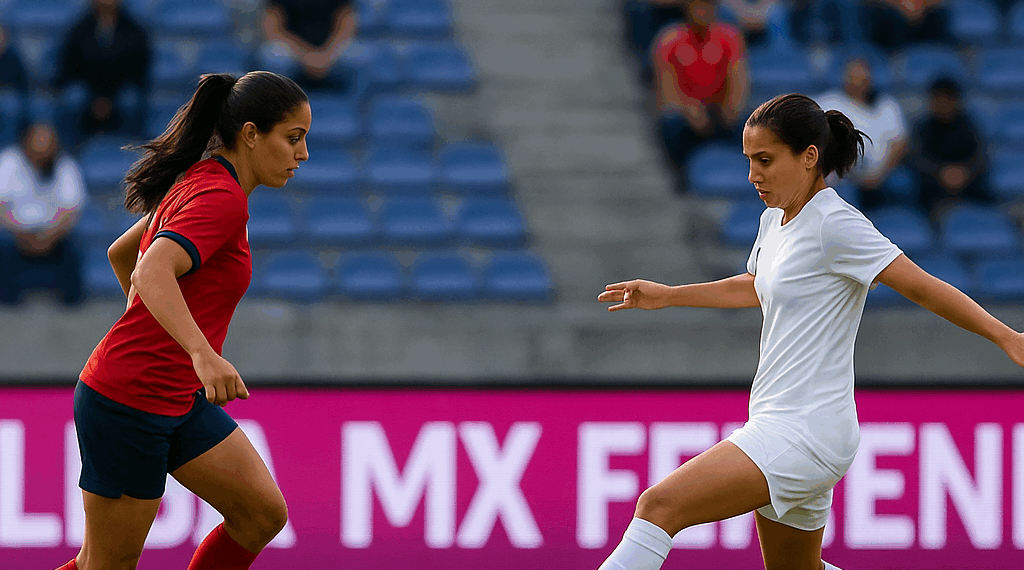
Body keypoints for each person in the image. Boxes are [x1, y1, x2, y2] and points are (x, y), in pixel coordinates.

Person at [596, 93, 1024, 570]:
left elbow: (923, 287)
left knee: (658, 508)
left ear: (809, 157)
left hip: (805, 430)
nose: (753, 175)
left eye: (765, 160)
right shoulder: (774, 220)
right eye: (749, 161)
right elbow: (757, 286)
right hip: (782, 422)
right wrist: (669, 295)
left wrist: (1008, 337)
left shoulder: (836, 223)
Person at [55, 70, 310, 570]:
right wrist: (200, 353)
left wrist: (160, 336)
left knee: (261, 514)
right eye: (294, 138)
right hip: (129, 402)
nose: (302, 154)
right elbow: (150, 270)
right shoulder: (221, 198)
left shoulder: (204, 177)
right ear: (252, 134)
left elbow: (121, 254)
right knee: (103, 567)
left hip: (171, 395)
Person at [652, 0, 749, 182]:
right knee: (670, 123)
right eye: (698, 6)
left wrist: (731, 109)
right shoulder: (670, 40)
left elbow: (738, 80)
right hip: (688, 113)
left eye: (708, 6)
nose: (703, 11)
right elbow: (666, 92)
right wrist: (689, 108)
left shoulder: (729, 37)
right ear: (687, 8)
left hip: (720, 110)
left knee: (754, 125)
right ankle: (680, 178)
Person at [0, 122, 86, 306]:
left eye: (48, 140)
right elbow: (2, 208)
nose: (44, 145)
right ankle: (8, 303)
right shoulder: (9, 162)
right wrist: (21, 234)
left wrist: (49, 237)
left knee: (74, 248)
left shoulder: (66, 165)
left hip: (53, 233)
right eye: (38, 140)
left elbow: (71, 211)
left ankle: (72, 303)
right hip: (16, 233)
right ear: (26, 142)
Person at [815, 57, 908, 210]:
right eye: (854, 78)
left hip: (885, 173)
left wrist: (880, 174)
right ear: (846, 79)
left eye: (862, 78)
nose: (858, 82)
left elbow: (900, 143)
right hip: (846, 176)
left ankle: (900, 228)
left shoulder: (886, 105)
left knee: (903, 183)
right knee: (841, 191)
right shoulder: (830, 102)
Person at [53, 0, 152, 142]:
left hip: (119, 92)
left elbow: (138, 70)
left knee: (131, 100)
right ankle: (70, 149)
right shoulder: (78, 29)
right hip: (88, 92)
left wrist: (108, 99)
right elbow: (70, 68)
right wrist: (96, 98)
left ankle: (131, 151)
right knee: (73, 98)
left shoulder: (135, 30)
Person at [911, 77, 992, 220]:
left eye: (946, 99)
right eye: (938, 99)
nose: (942, 104)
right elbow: (917, 158)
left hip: (970, 188)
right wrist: (940, 173)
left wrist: (965, 173)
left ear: (956, 101)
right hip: (933, 191)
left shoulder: (970, 126)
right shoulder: (923, 128)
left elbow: (981, 158)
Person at [259, 0, 358, 91]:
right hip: (291, 51)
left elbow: (347, 21)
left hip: (333, 50)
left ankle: (359, 109)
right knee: (273, 58)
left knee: (366, 58)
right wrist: (306, 56)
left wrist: (328, 55)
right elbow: (273, 29)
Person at [861, 0, 951, 53]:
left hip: (925, 21)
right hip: (889, 20)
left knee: (939, 14)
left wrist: (922, 5)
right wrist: (900, 5)